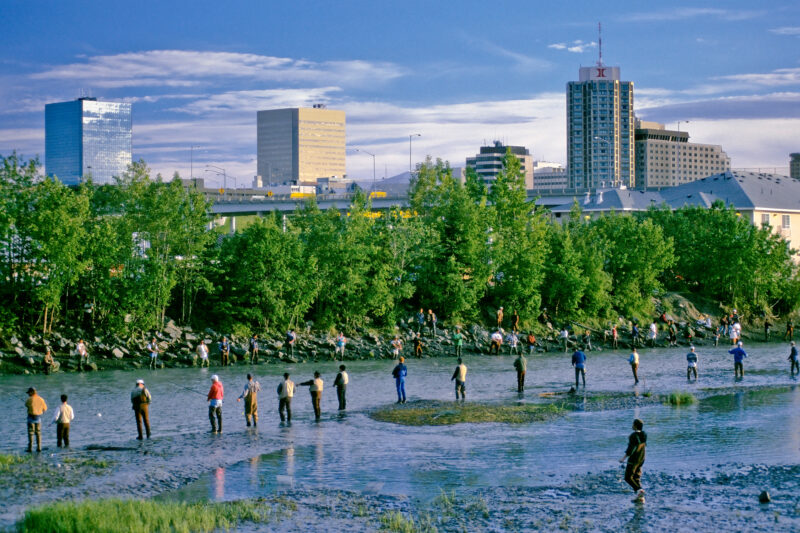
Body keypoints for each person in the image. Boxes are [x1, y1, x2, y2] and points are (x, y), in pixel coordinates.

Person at [619, 418, 647, 504]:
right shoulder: (644, 434)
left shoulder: (633, 436)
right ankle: (640, 498)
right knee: (636, 477)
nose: (632, 426)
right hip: (642, 458)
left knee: (627, 477)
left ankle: (639, 490)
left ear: (635, 426)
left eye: (633, 424)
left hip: (633, 460)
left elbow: (630, 449)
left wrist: (623, 459)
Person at [25, 387, 47, 453]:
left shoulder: (29, 399)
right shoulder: (41, 399)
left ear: (31, 392)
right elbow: (45, 409)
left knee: (31, 433)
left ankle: (30, 448)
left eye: (29, 393)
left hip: (31, 418)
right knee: (38, 433)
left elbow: (26, 405)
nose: (28, 394)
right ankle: (39, 448)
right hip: (38, 418)